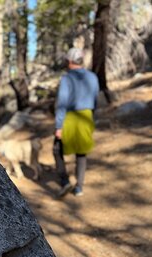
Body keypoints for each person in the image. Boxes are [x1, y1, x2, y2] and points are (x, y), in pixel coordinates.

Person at [53, 47, 99, 197]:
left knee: (57, 149)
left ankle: (64, 181)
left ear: (70, 61)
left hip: (70, 118)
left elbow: (62, 103)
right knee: (81, 152)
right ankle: (79, 187)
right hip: (87, 116)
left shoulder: (67, 78)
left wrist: (59, 126)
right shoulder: (93, 77)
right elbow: (96, 99)